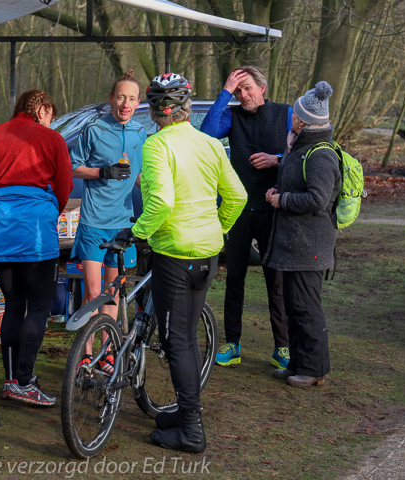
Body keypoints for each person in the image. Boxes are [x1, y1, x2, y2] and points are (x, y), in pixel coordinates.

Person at [117, 73, 246, 453]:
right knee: (185, 338)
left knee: (176, 342)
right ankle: (181, 414)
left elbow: (160, 204)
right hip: (206, 253)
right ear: (185, 108)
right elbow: (236, 195)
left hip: (174, 254)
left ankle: (191, 429)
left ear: (159, 110)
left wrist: (136, 233)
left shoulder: (157, 146)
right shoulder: (209, 143)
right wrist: (216, 230)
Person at [0, 89, 73, 406]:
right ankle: (24, 381)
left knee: (13, 305)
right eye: (52, 115)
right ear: (43, 110)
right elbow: (64, 187)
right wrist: (51, 210)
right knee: (39, 306)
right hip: (37, 233)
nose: (52, 122)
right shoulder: (51, 140)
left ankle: (12, 379)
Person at [200, 66, 293, 370]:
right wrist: (225, 91)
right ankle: (232, 343)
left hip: (273, 209)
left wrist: (276, 160)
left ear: (262, 88)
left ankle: (282, 347)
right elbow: (206, 133)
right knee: (234, 279)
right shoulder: (233, 116)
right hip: (239, 209)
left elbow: (304, 154)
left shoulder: (285, 114)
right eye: (238, 91)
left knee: (275, 280)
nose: (244, 95)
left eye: (248, 88)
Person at [69, 70, 146, 373]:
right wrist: (103, 172)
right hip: (93, 223)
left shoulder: (141, 133)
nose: (125, 103)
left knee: (113, 293)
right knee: (92, 292)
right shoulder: (95, 129)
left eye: (131, 98)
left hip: (122, 224)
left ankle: (108, 352)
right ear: (112, 99)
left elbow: (139, 177)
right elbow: (73, 166)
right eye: (120, 97)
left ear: (138, 102)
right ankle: (84, 355)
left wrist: (161, 195)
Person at [264, 81, 340, 387]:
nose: (291, 117)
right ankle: (298, 362)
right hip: (296, 243)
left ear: (304, 120)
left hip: (310, 244)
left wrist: (282, 200)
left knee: (307, 307)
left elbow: (318, 199)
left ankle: (314, 369)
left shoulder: (320, 154)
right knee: (295, 304)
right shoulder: (302, 147)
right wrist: (278, 191)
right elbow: (299, 186)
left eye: (295, 114)